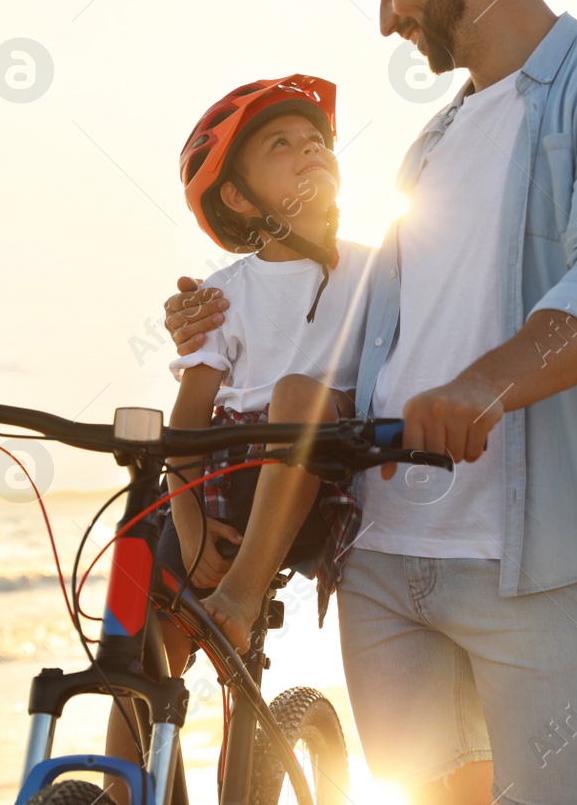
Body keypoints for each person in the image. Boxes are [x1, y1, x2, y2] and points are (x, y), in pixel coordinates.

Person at [162, 0, 577, 805]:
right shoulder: (434, 142)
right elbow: (370, 328)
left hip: (531, 565)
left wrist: (482, 385)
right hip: (380, 563)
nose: (385, 18)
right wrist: (217, 334)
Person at [103, 73, 376, 802]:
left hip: (313, 469)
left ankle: (242, 595)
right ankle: (133, 783)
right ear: (237, 195)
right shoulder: (226, 292)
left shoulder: (378, 269)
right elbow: (190, 417)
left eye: (316, 140)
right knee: (134, 602)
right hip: (216, 479)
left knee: (293, 394)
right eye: (281, 144)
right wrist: (189, 528)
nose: (308, 149)